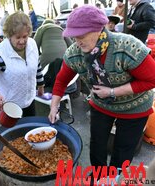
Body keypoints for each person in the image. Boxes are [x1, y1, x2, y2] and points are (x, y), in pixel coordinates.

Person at [48, 5, 155, 184]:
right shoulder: (74, 53)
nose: (77, 40)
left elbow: (152, 79)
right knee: (97, 146)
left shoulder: (127, 47)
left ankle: (116, 180)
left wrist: (113, 91)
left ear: (98, 29)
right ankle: (98, 178)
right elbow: (61, 81)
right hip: (101, 105)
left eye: (81, 35)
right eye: (73, 36)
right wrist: (54, 106)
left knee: (122, 152)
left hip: (134, 107)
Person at [0, 11, 44, 118]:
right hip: (10, 107)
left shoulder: (32, 44)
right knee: (14, 134)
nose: (22, 41)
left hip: (29, 100)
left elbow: (36, 65)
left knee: (31, 131)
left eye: (25, 36)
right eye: (18, 37)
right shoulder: (0, 53)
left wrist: (41, 85)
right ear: (9, 35)